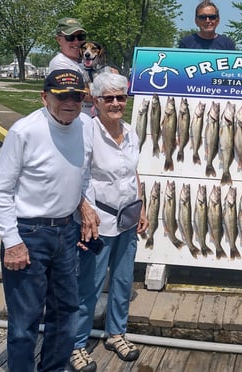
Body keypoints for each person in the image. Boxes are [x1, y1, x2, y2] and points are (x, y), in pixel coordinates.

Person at [0, 69, 99, 372]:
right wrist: (12, 242)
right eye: (62, 96)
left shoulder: (86, 125)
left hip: (66, 230)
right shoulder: (24, 131)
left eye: (77, 96)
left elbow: (81, 173)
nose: (70, 102)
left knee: (65, 313)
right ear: (44, 96)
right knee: (25, 320)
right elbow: (0, 192)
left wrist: (84, 207)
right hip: (29, 233)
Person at [70, 72, 149, 372]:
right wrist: (84, 210)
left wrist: (141, 206)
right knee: (88, 284)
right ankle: (76, 344)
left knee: (122, 280)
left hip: (127, 218)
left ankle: (116, 333)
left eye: (121, 97)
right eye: (109, 98)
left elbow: (133, 173)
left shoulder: (130, 132)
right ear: (96, 100)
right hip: (97, 221)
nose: (116, 103)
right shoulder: (86, 131)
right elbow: (78, 175)